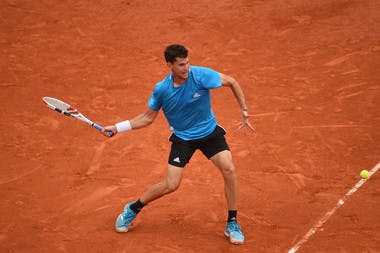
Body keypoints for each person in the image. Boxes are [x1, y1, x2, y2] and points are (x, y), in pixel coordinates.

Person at [103, 44, 254, 245]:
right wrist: (116, 127)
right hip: (183, 138)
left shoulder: (200, 76)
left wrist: (244, 111)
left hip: (209, 133)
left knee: (229, 169)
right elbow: (147, 118)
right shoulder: (162, 90)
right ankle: (133, 208)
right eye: (181, 65)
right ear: (169, 65)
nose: (186, 68)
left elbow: (232, 81)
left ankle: (232, 222)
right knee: (171, 185)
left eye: (188, 63)